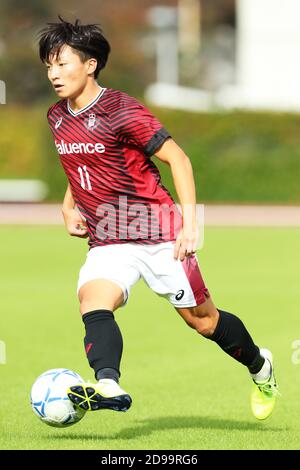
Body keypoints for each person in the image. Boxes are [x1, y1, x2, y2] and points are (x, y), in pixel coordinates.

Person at [38, 17, 278, 420]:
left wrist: (188, 223)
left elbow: (178, 159)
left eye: (63, 63)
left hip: (158, 232)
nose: (54, 74)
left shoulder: (122, 109)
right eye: (49, 65)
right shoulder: (57, 117)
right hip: (108, 237)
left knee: (203, 322)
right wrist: (68, 204)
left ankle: (261, 367)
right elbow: (79, 161)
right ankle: (108, 384)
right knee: (93, 301)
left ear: (91, 64)